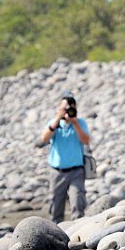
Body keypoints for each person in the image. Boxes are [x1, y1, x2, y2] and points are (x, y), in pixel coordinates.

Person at [40, 92, 91, 224]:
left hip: (76, 171)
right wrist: (57, 119)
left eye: (71, 109)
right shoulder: (54, 123)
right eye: (65, 109)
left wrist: (75, 124)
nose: (68, 112)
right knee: (56, 204)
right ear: (60, 109)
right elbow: (44, 138)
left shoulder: (80, 123)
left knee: (77, 201)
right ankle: (56, 229)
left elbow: (86, 140)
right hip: (57, 172)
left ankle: (77, 229)